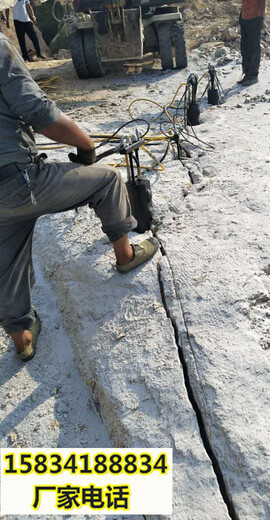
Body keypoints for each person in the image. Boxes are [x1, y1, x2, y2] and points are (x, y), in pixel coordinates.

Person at [0, 33, 159, 362]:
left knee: (8, 263)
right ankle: (126, 254)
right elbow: (39, 111)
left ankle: (22, 338)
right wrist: (85, 146)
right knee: (107, 180)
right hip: (18, 180)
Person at [238, 0, 266, 86]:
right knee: (245, 48)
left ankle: (253, 76)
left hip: (255, 18)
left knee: (253, 48)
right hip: (244, 17)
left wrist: (261, 17)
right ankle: (247, 73)